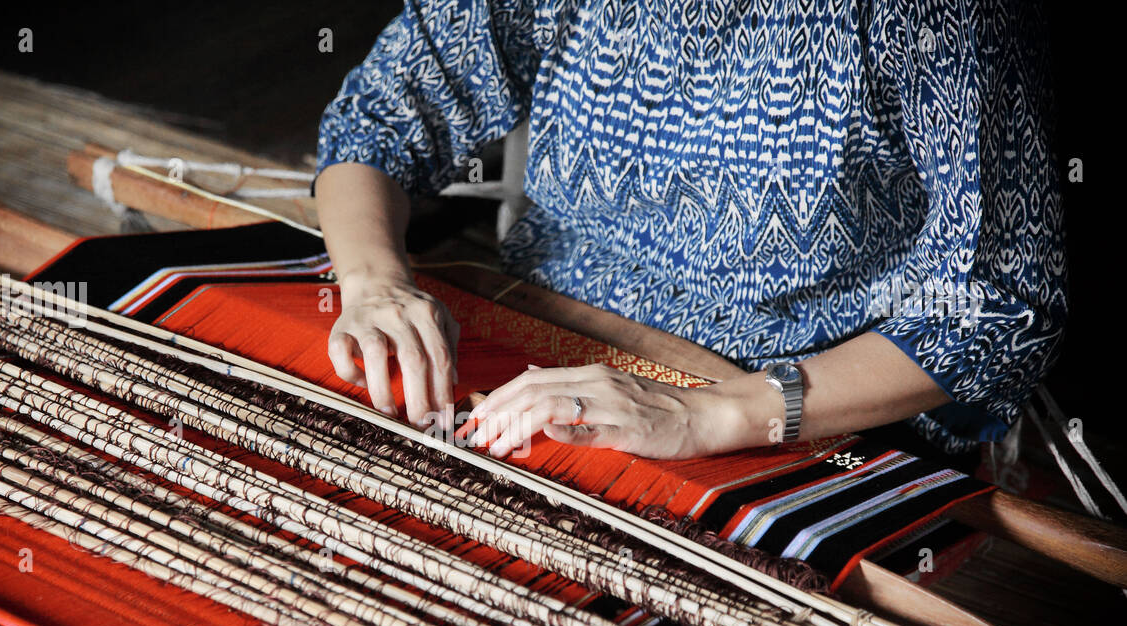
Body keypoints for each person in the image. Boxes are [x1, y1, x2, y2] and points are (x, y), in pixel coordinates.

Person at [313, 0, 1065, 462]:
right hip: (539, 350)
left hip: (800, 412)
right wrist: (375, 282)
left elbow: (998, 297)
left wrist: (708, 414)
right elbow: (380, 117)